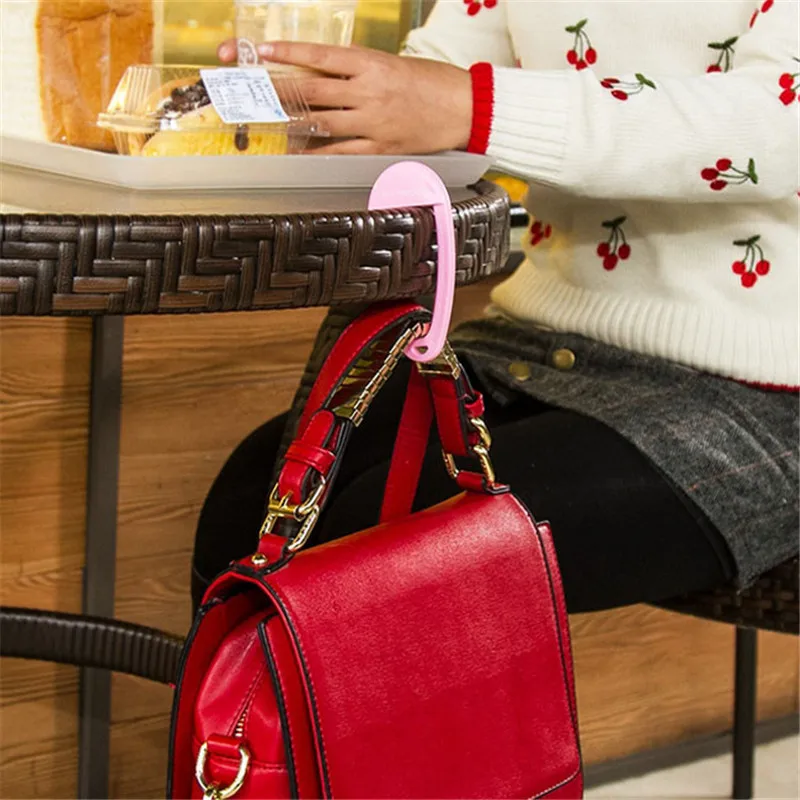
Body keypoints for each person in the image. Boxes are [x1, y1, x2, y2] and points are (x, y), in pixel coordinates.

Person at [192, 0, 799, 614]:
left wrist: (468, 107)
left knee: (375, 555)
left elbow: (776, 124)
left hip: (762, 383)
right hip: (541, 338)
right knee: (249, 504)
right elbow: (436, 72)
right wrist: (331, 102)